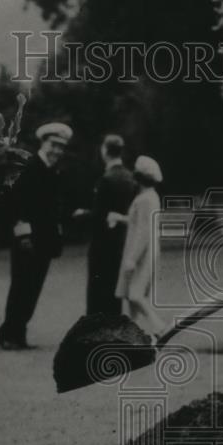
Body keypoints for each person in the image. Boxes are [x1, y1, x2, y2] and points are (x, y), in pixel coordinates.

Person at [0, 122, 72, 350]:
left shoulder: (52, 170)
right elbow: (15, 202)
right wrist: (23, 235)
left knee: (33, 288)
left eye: (61, 147)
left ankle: (19, 335)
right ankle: (9, 334)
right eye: (53, 145)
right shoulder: (29, 166)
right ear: (43, 142)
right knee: (21, 286)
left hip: (45, 240)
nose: (57, 151)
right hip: (27, 239)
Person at [112, 155, 167, 339]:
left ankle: (159, 326)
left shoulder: (145, 199)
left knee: (135, 294)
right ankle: (130, 333)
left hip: (141, 252)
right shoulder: (149, 197)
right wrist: (120, 218)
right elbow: (138, 222)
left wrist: (132, 259)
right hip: (144, 250)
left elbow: (144, 231)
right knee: (130, 295)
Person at [85, 134, 137, 315]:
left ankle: (96, 331)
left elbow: (99, 216)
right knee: (115, 288)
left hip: (102, 243)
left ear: (104, 151)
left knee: (98, 289)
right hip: (123, 241)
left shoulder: (106, 179)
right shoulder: (130, 177)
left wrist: (82, 215)